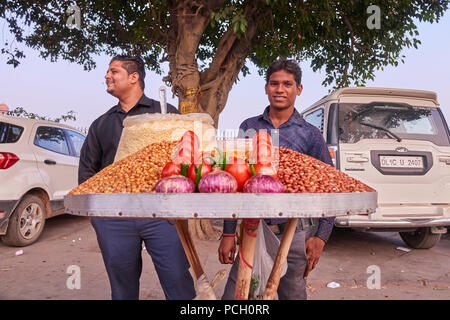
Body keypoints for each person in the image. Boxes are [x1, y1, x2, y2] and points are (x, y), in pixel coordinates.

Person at [78, 55, 195, 300]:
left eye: (114, 71)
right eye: (108, 71)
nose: (107, 76)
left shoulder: (165, 113)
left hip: (163, 215)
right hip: (115, 217)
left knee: (179, 283)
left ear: (134, 77)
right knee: (122, 289)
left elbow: (188, 162)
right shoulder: (101, 124)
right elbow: (87, 172)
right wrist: (99, 218)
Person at [218, 58, 334, 300]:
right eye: (274, 83)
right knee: (235, 296)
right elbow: (234, 182)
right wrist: (228, 233)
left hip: (293, 234)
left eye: (287, 84)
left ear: (298, 89)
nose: (280, 89)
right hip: (253, 229)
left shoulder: (310, 135)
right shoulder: (249, 127)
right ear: (266, 87)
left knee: (292, 295)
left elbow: (329, 185)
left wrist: (321, 236)